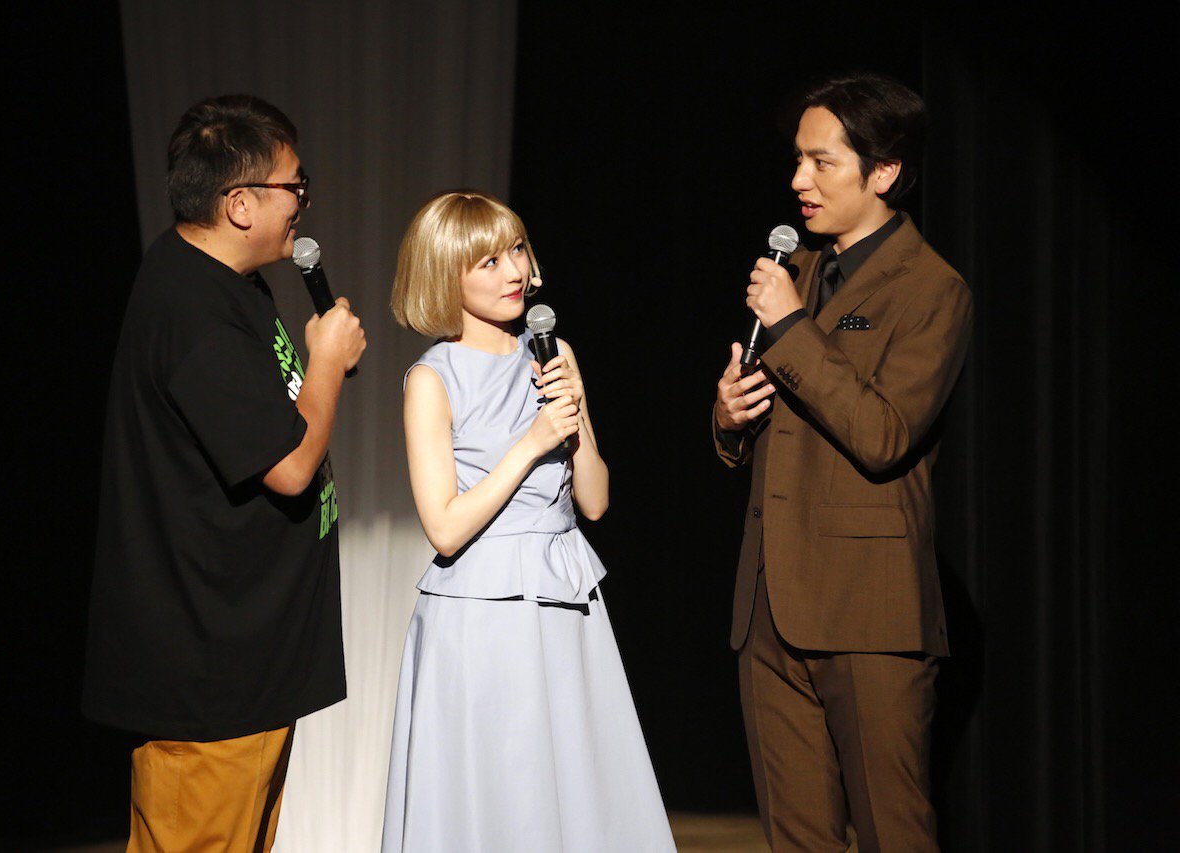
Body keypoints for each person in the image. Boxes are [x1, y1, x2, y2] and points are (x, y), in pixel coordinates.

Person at [82, 94, 366, 852]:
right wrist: (326, 363)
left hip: (247, 667)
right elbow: (290, 466)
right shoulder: (191, 310)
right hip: (208, 680)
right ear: (240, 204)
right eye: (294, 186)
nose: (303, 202)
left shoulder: (228, 285)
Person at [713, 73, 972, 852]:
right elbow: (774, 427)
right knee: (797, 837)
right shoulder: (798, 271)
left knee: (894, 831)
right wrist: (728, 416)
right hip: (770, 605)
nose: (799, 180)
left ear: (884, 172)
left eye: (821, 162)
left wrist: (792, 327)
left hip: (868, 610)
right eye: (797, 159)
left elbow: (884, 433)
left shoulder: (932, 289)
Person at [382, 190, 674, 852]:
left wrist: (576, 411)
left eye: (516, 250)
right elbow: (444, 528)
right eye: (488, 261)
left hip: (565, 599)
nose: (514, 271)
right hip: (481, 614)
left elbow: (594, 500)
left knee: (575, 792)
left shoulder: (552, 352)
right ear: (445, 274)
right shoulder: (431, 380)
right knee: (498, 793)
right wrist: (532, 443)